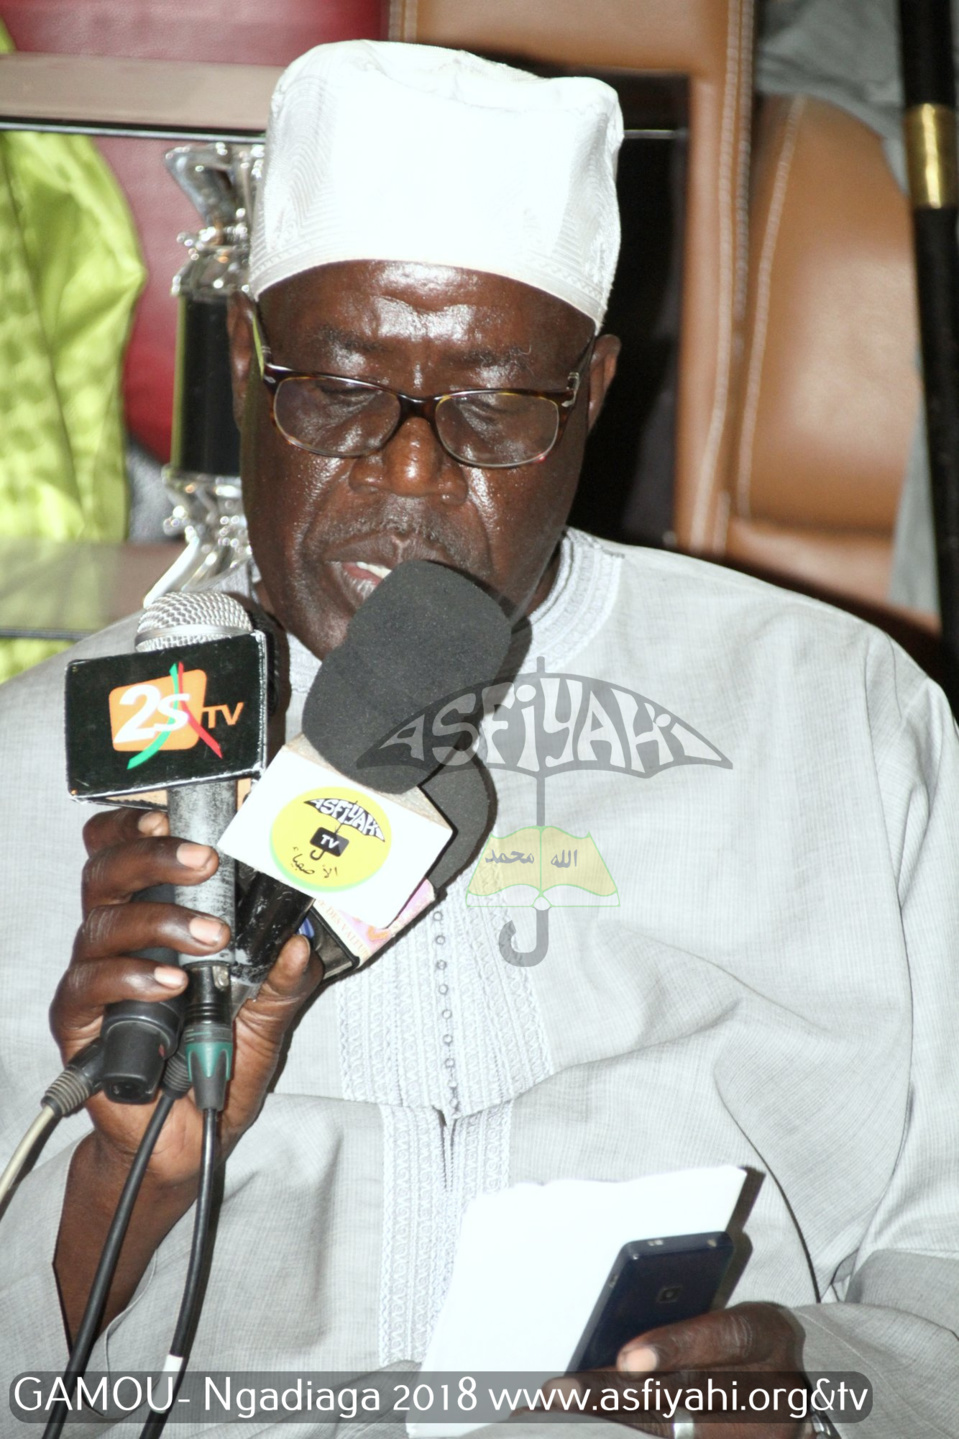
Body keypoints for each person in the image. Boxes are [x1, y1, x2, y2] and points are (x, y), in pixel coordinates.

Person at [0, 38, 957, 1439]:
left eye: (498, 407)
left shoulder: (839, 716)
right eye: (335, 388)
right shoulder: (44, 769)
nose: (407, 471)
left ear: (599, 390)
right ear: (246, 358)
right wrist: (128, 1181)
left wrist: (828, 1388)